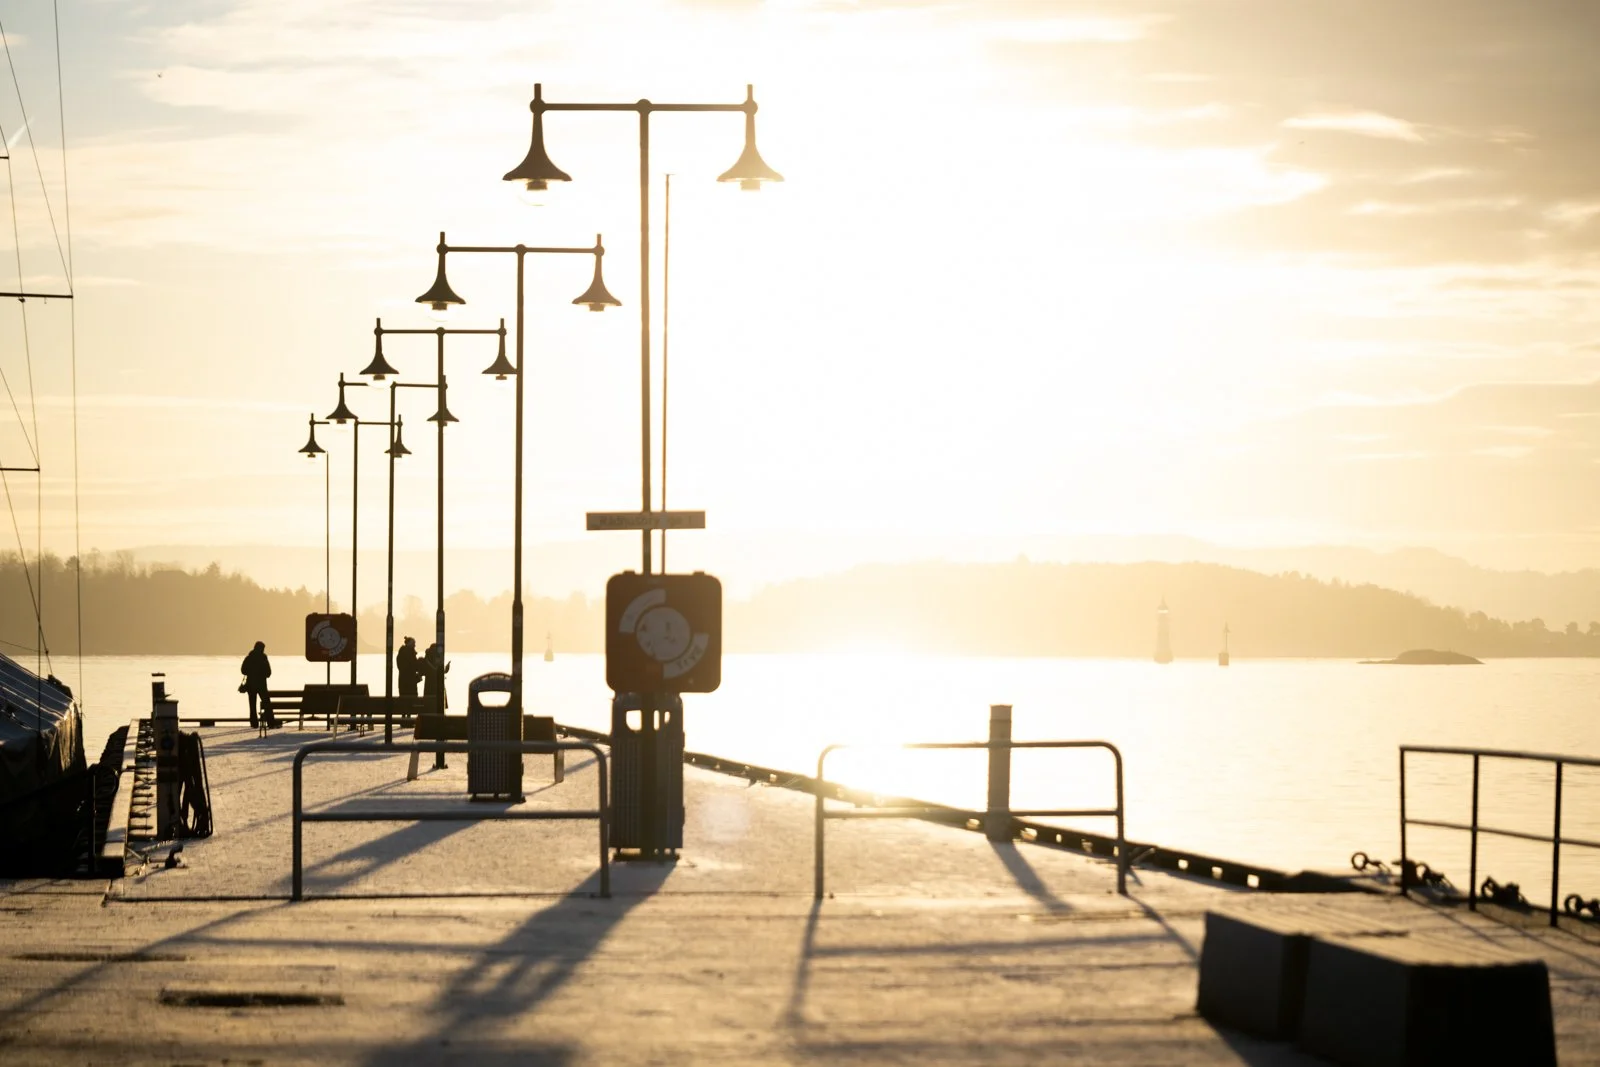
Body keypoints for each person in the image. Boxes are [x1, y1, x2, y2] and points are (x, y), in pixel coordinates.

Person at [240, 640, 274, 729]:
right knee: (267, 704)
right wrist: (261, 674)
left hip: (250, 685)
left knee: (252, 705)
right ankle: (271, 722)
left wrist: (251, 672)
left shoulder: (249, 657)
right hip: (262, 685)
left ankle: (254, 723)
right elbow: (268, 673)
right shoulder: (263, 658)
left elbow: (243, 670)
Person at [422, 642, 450, 708]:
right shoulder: (435, 657)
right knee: (437, 700)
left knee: (429, 700)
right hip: (436, 682)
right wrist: (446, 669)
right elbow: (440, 671)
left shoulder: (427, 658)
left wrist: (446, 669)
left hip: (429, 683)